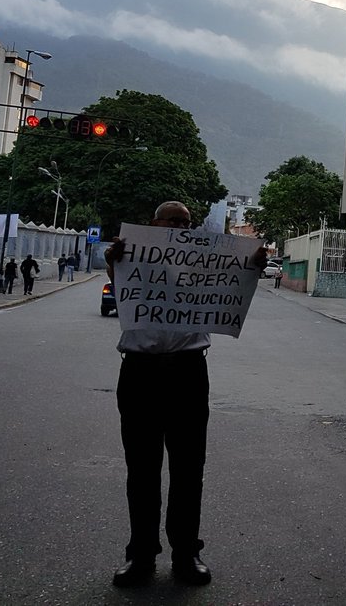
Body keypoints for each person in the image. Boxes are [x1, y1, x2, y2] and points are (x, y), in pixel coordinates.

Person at [105, 200, 268, 589]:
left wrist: (254, 264)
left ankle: (186, 553)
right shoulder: (131, 253)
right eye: (171, 221)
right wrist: (115, 260)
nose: (179, 227)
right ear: (153, 223)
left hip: (188, 371)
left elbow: (234, 282)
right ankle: (141, 555)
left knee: (188, 468)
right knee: (141, 469)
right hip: (139, 371)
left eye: (186, 223)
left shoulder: (201, 262)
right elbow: (124, 285)